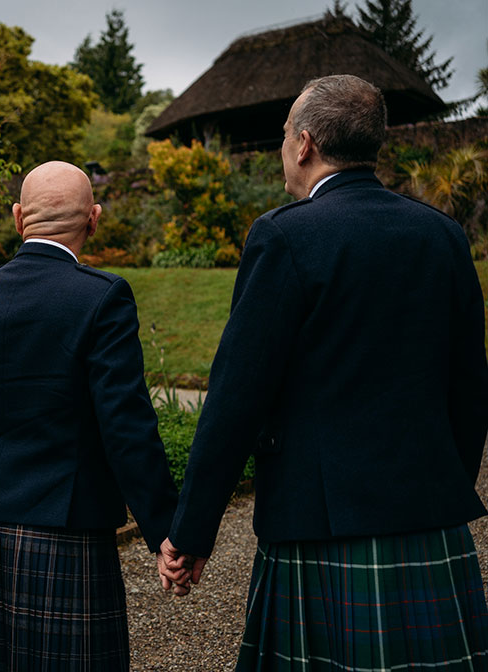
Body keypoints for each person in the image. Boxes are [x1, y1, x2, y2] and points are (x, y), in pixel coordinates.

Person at [158, 74, 488, 670]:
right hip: (429, 516)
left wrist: (190, 534)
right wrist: (443, 483)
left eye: (285, 134)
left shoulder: (284, 236)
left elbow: (238, 397)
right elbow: (470, 387)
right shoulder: (442, 236)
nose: (284, 146)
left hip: (320, 523)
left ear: (305, 143)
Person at [0, 160, 178, 671]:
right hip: (62, 534)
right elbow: (126, 426)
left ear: (19, 218)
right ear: (94, 219)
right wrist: (167, 532)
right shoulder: (101, 297)